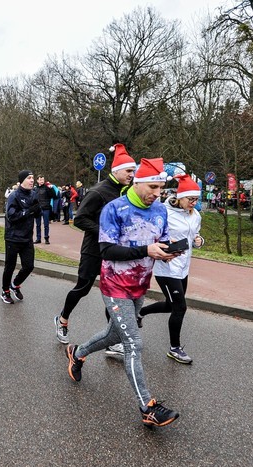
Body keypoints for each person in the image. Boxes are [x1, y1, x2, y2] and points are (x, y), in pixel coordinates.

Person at [64, 157, 181, 427]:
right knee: (133, 343)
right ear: (137, 182)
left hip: (140, 284)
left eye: (161, 188)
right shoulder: (114, 209)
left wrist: (167, 250)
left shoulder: (160, 210)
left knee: (114, 334)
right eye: (152, 187)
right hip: (114, 285)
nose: (157, 193)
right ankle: (148, 407)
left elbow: (161, 240)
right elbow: (107, 251)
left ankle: (77, 353)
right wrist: (146, 250)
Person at [53, 143, 136, 357]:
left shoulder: (127, 193)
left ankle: (111, 340)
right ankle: (62, 319)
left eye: (133, 171)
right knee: (83, 288)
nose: (132, 175)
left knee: (113, 294)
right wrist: (106, 232)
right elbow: (80, 219)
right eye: (129, 170)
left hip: (113, 252)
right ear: (116, 170)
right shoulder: (98, 192)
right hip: (93, 250)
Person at [137, 174, 204, 364]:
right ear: (180, 197)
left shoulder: (195, 215)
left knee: (170, 305)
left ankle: (140, 313)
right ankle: (175, 349)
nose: (194, 203)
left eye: (196, 199)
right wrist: (163, 245)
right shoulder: (164, 212)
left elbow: (195, 235)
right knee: (180, 307)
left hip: (183, 267)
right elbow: (150, 234)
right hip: (165, 267)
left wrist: (199, 240)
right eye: (190, 199)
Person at [1, 169, 39, 304]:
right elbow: (11, 216)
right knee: (10, 267)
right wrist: (28, 211)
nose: (32, 180)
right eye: (29, 178)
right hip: (13, 237)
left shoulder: (33, 194)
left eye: (33, 178)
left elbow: (37, 213)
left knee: (29, 266)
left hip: (27, 238)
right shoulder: (14, 196)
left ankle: (15, 284)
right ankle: (5, 291)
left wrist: (38, 210)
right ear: (22, 180)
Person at [33, 175, 57, 244]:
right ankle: (38, 238)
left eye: (43, 179)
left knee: (46, 224)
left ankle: (46, 238)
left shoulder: (47, 188)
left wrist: (51, 189)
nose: (42, 181)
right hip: (38, 209)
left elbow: (54, 196)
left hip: (46, 208)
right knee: (38, 225)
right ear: (37, 181)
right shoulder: (35, 189)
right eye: (40, 180)